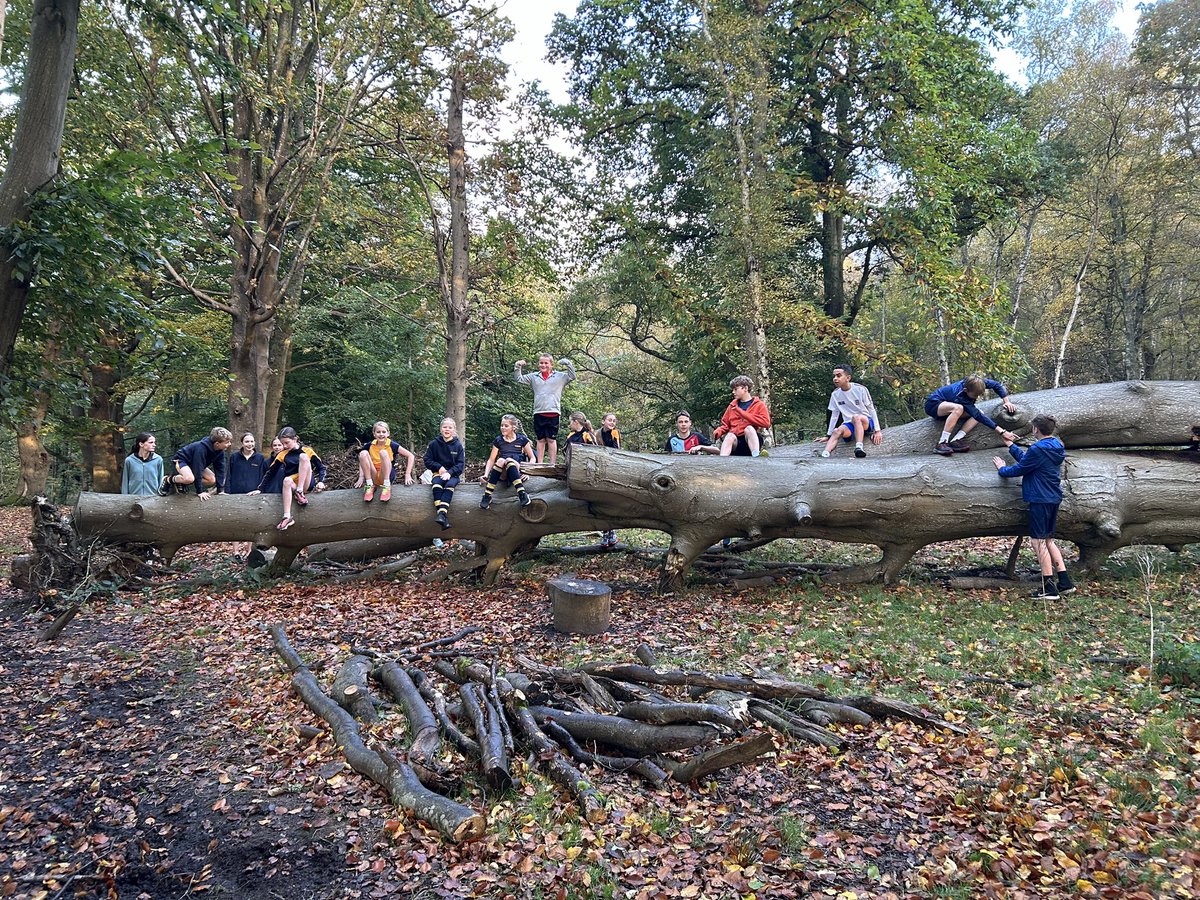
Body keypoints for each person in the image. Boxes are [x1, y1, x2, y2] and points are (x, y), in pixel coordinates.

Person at [992, 414, 1076, 599]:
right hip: (1052, 497)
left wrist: (1002, 469)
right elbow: (1027, 460)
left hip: (1040, 498)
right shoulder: (1056, 446)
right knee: (1048, 540)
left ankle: (1048, 588)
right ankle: (1065, 582)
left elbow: (1020, 469)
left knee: (1038, 541)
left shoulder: (1038, 449)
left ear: (1035, 429)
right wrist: (1010, 445)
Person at [253, 427, 326, 530]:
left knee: (303, 457)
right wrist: (260, 489)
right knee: (286, 480)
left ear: (295, 439)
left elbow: (321, 467)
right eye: (282, 444)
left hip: (306, 483)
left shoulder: (307, 450)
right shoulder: (282, 454)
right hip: (293, 486)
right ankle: (287, 516)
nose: (284, 446)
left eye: (286, 443)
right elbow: (270, 472)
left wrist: (322, 482)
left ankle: (300, 492)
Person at [926, 374, 1018, 455]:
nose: (977, 397)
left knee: (979, 412)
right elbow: (977, 415)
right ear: (966, 390)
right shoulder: (960, 394)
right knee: (959, 408)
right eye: (975, 396)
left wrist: (1007, 402)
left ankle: (955, 441)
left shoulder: (978, 383)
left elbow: (996, 385)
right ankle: (942, 442)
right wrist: (1002, 432)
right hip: (934, 405)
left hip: (951, 406)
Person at [514, 354, 576, 465]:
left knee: (551, 440)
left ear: (551, 365)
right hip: (538, 412)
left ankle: (552, 464)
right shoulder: (534, 377)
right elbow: (519, 379)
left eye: (546, 363)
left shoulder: (559, 377)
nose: (543, 365)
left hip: (553, 412)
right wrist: (517, 366)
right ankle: (540, 464)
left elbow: (572, 376)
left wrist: (568, 364)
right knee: (540, 439)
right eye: (541, 363)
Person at [816, 364, 883, 458]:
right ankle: (825, 454)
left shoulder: (860, 389)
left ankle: (859, 447)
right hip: (849, 424)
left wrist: (877, 430)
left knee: (856, 417)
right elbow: (834, 415)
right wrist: (828, 435)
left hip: (865, 422)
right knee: (837, 431)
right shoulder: (835, 394)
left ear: (848, 378)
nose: (835, 378)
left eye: (838, 376)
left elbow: (871, 409)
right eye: (834, 376)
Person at [479, 414, 536, 509]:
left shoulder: (522, 439)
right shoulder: (498, 440)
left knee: (509, 460)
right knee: (501, 460)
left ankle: (522, 494)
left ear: (513, 427)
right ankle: (487, 496)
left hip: (516, 470)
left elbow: (532, 458)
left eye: (506, 426)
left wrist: (528, 472)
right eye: (502, 425)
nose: (503, 428)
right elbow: (491, 460)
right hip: (503, 472)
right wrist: (485, 475)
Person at [160, 427, 233, 500]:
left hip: (196, 464)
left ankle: (183, 482)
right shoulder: (201, 449)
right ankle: (169, 479)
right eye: (227, 442)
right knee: (189, 478)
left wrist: (220, 490)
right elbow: (198, 468)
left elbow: (220, 469)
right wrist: (199, 492)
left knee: (211, 479)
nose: (229, 444)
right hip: (181, 460)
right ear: (217, 443)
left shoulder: (220, 451)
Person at [225, 432, 265, 558]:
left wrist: (260, 490)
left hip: (253, 495)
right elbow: (229, 475)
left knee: (251, 523)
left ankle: (248, 551)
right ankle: (236, 551)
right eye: (247, 441)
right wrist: (227, 492)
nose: (250, 444)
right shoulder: (234, 457)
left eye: (252, 441)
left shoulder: (260, 458)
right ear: (242, 443)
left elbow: (263, 476)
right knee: (236, 522)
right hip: (236, 495)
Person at [355, 421, 415, 502]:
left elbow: (410, 455)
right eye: (378, 432)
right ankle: (369, 485)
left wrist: (407, 474)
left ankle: (387, 486)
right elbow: (362, 461)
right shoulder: (370, 445)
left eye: (383, 432)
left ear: (388, 433)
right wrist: (361, 477)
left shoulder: (392, 445)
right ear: (374, 434)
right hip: (374, 474)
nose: (381, 434)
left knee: (383, 452)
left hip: (386, 474)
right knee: (363, 453)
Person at [713, 375, 772, 457]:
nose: (733, 392)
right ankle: (723, 459)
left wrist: (742, 413)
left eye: (736, 389)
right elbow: (725, 425)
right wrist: (719, 431)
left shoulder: (759, 405)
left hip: (751, 440)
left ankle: (756, 455)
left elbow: (766, 423)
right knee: (730, 435)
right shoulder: (732, 406)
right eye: (733, 389)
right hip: (736, 442)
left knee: (749, 428)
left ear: (745, 389)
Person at [424, 417, 466, 530]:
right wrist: (439, 467)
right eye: (444, 427)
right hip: (438, 473)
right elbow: (427, 460)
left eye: (450, 427)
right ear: (440, 429)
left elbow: (461, 465)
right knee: (436, 485)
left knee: (449, 485)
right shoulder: (434, 444)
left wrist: (450, 472)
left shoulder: (458, 446)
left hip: (453, 475)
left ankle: (442, 515)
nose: (447, 429)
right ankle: (443, 516)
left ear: (454, 430)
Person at [597, 412, 622, 548]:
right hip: (600, 469)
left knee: (611, 502)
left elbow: (618, 450)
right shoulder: (596, 434)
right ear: (603, 421)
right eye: (609, 420)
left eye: (614, 421)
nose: (612, 423)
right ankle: (605, 532)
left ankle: (612, 532)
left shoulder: (615, 434)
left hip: (613, 469)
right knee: (602, 502)